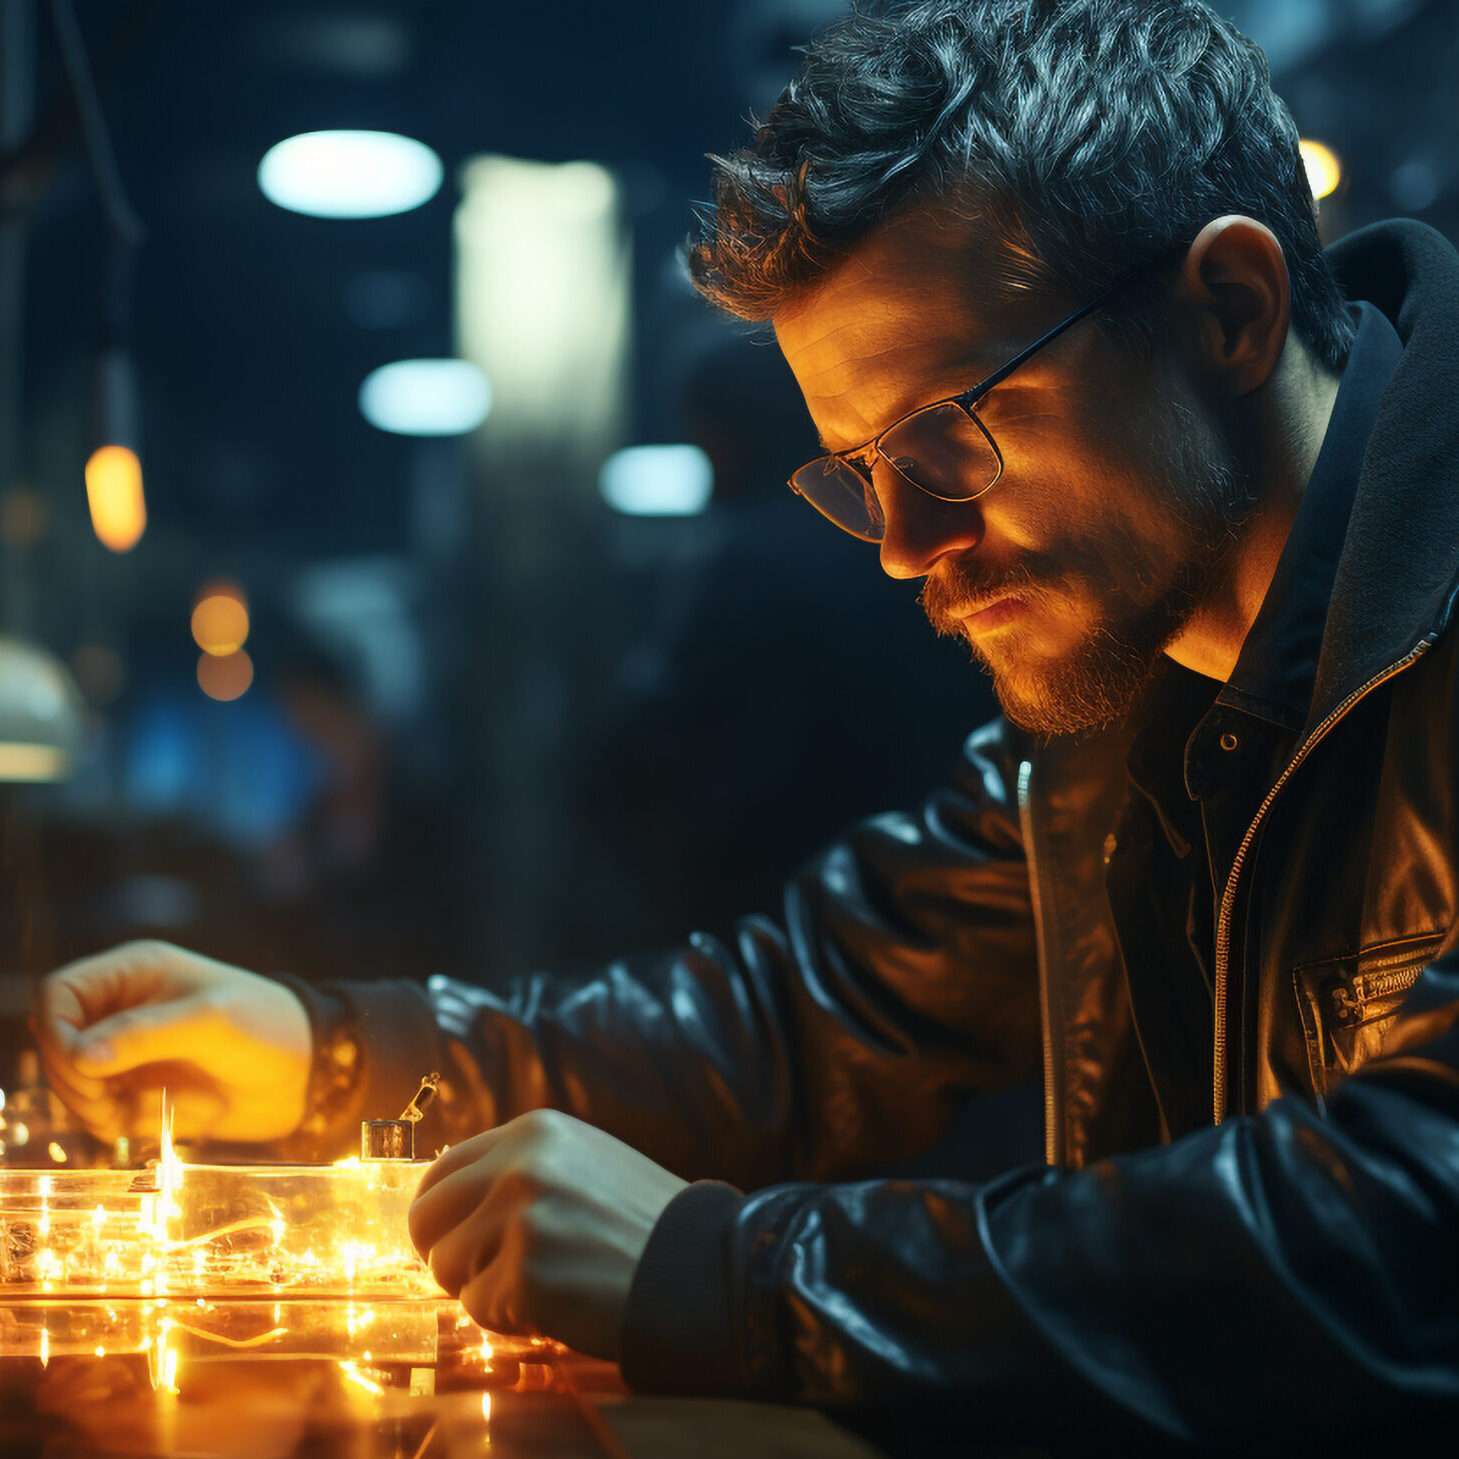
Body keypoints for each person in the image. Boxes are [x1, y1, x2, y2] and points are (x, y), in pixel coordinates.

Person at [31, 0, 1459, 1446]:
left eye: (951, 435)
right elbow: (803, 1019)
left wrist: (731, 1275)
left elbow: (1411, 1237)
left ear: (1231, 309)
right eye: (858, 472)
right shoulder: (1131, 688)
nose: (904, 544)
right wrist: (332, 1047)